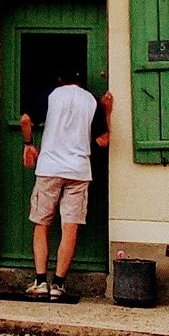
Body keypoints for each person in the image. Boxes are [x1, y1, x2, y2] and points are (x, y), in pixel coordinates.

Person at [20, 67, 111, 300]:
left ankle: (41, 282)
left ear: (60, 78)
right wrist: (107, 112)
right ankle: (59, 285)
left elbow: (25, 120)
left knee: (41, 223)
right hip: (79, 171)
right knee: (70, 227)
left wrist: (29, 144)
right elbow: (103, 140)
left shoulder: (52, 95)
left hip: (49, 168)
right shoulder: (91, 100)